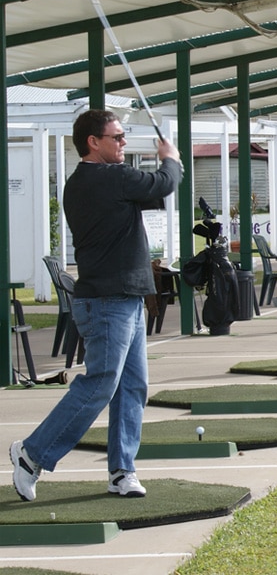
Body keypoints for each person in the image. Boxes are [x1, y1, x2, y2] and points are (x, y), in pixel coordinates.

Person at [10, 109, 182, 502]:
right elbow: (165, 183)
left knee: (132, 387)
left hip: (126, 298)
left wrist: (166, 169)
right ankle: (31, 454)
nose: (123, 143)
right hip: (106, 301)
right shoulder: (106, 178)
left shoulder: (95, 181)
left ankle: (122, 470)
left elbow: (153, 193)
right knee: (101, 384)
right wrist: (171, 158)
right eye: (117, 137)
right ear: (93, 142)